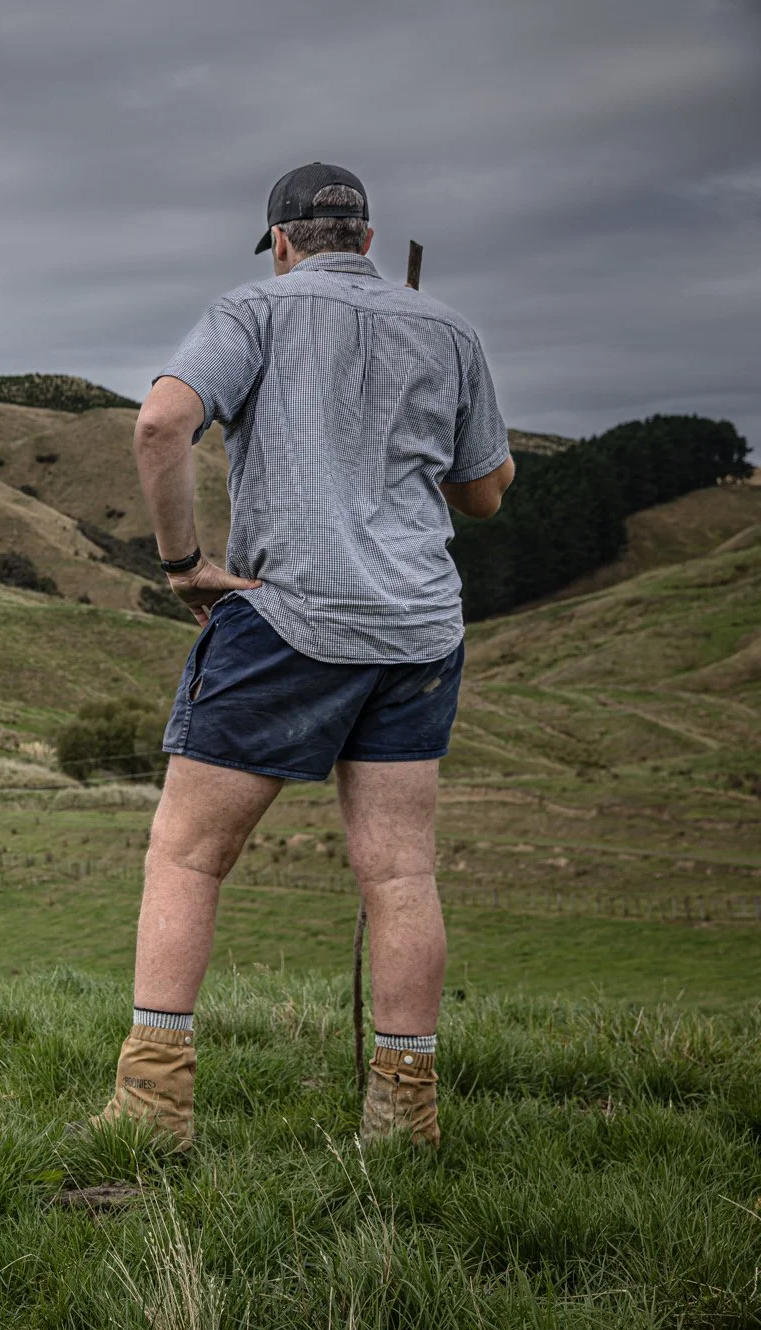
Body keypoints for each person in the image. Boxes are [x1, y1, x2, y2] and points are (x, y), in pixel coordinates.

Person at [93, 164, 515, 1151]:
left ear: (279, 242)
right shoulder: (447, 330)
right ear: (366, 240)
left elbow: (160, 421)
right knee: (401, 873)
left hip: (285, 616)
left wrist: (183, 563)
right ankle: (402, 1116)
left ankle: (152, 1108)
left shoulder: (252, 310)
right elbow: (485, 493)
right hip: (415, 629)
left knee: (188, 853)